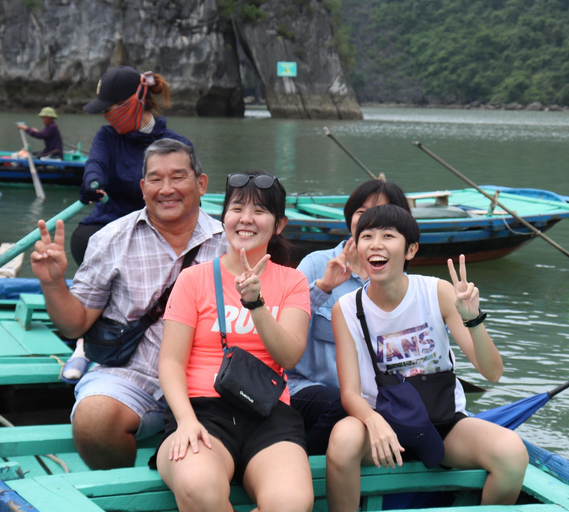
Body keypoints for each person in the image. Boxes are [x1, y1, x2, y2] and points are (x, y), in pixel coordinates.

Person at [30, 138, 228, 470]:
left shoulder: (231, 243)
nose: (167, 189)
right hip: (132, 375)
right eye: (155, 178)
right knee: (93, 421)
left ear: (202, 183)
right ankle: (123, 494)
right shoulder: (110, 239)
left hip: (211, 379)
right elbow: (74, 324)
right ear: (142, 186)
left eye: (178, 177)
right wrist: (52, 283)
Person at [326, 204, 529, 510]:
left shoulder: (437, 292)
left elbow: (493, 372)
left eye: (388, 236)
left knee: (512, 453)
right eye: (366, 236)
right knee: (342, 439)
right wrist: (373, 422)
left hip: (442, 425)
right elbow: (350, 392)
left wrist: (473, 319)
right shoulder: (346, 309)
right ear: (357, 246)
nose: (376, 244)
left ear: (410, 250)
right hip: (381, 428)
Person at [153, 171, 314, 512]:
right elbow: (169, 362)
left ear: (279, 224)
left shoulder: (293, 282)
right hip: (202, 411)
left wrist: (256, 304)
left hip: (268, 413)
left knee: (292, 503)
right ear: (223, 216)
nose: (246, 219)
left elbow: (288, 356)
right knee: (199, 487)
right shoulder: (193, 279)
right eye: (237, 208)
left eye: (260, 211)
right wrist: (185, 421)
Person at [287, 179, 412, 455]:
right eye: (362, 212)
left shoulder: (401, 284)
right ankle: (300, 465)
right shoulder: (316, 264)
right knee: (344, 406)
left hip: (370, 398)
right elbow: (284, 327)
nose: (372, 220)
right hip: (309, 388)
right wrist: (325, 287)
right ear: (349, 220)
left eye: (383, 213)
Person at [72, 65, 193, 266]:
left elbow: (188, 199)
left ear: (130, 103)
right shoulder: (107, 136)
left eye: (109, 110)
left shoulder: (177, 145)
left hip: (158, 228)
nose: (106, 116)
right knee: (82, 240)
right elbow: (96, 164)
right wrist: (92, 183)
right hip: (109, 222)